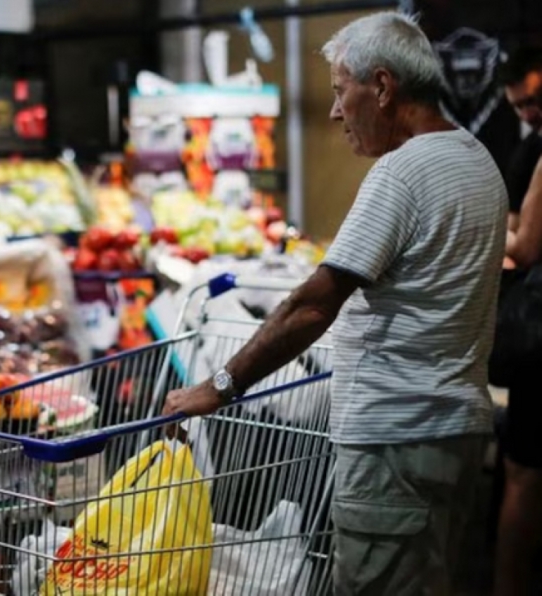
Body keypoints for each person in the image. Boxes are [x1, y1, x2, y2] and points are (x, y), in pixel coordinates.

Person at [163, 11, 508, 595]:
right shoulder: (478, 161)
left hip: (393, 442)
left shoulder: (401, 173)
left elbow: (312, 306)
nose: (334, 111)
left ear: (382, 86)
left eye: (339, 90)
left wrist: (218, 386)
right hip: (455, 434)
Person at [493, 47, 542, 596]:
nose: (530, 112)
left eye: (536, 99)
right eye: (520, 105)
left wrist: (484, 229)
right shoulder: (529, 151)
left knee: (526, 474)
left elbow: (522, 245)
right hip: (534, 336)